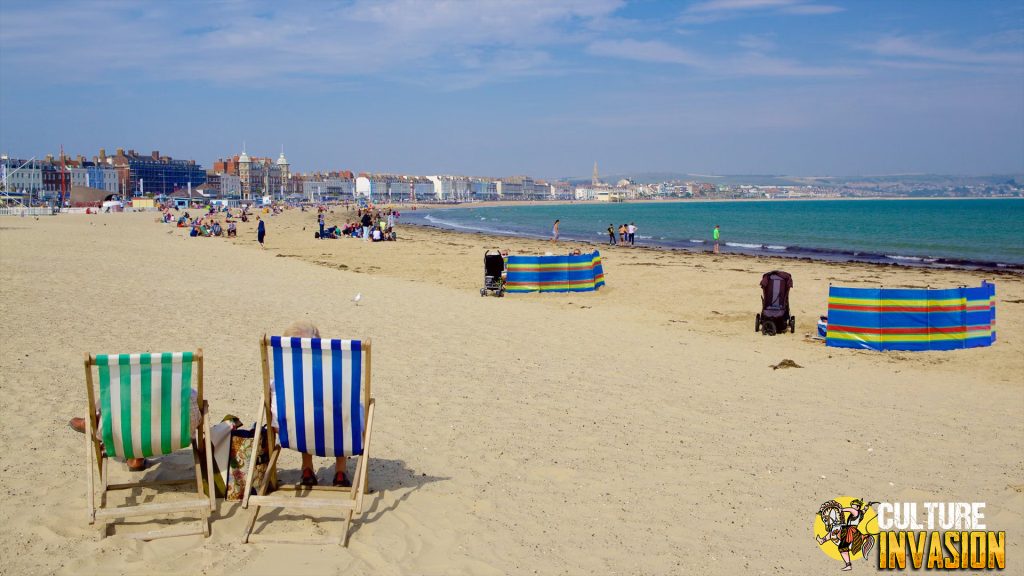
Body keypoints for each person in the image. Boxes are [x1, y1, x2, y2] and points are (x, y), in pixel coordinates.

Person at [276, 320, 352, 488]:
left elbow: (275, 404)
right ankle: (340, 472)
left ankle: (307, 469)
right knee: (346, 411)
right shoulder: (332, 371)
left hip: (294, 428)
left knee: (300, 412)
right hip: (333, 425)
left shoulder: (284, 375)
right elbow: (346, 399)